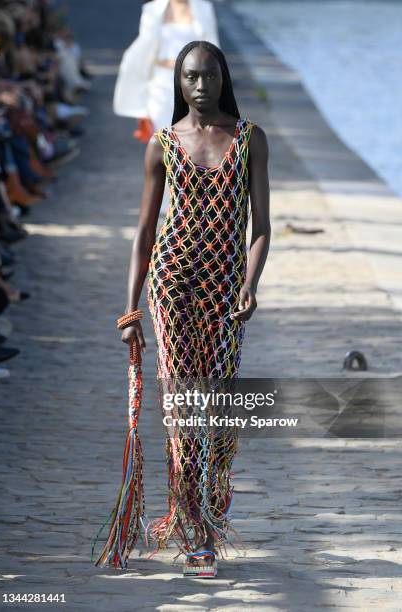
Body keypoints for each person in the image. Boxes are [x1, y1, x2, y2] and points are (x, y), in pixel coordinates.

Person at [114, 40, 270, 577]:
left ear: (223, 78)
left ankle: (206, 500)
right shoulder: (162, 144)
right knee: (183, 412)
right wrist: (130, 309)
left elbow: (261, 228)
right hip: (173, 286)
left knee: (219, 410)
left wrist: (251, 283)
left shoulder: (249, 140)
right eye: (190, 78)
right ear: (178, 85)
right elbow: (142, 234)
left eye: (208, 76)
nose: (200, 87)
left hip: (227, 293)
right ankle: (197, 528)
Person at [113, 0, 219, 132]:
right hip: (160, 81)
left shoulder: (203, 8)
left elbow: (212, 48)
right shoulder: (152, 9)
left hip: (192, 82)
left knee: (192, 133)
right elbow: (144, 47)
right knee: (163, 134)